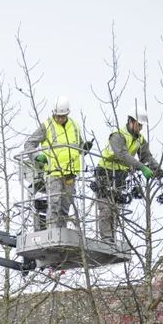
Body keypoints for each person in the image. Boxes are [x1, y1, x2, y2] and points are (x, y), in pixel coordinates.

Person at [95, 106, 163, 242]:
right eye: (138, 125)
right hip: (105, 172)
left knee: (117, 208)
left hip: (120, 175)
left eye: (142, 125)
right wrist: (142, 168)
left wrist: (156, 167)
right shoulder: (117, 135)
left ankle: (113, 238)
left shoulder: (140, 139)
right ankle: (106, 238)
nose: (140, 128)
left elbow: (146, 155)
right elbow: (123, 155)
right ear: (130, 121)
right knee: (106, 207)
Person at [25, 96, 92, 230]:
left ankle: (62, 233)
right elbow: (29, 144)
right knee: (54, 205)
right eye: (57, 116)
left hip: (71, 174)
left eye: (62, 116)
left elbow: (78, 148)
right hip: (54, 173)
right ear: (53, 113)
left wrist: (84, 148)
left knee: (65, 207)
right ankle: (53, 233)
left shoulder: (74, 126)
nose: (59, 119)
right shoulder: (47, 125)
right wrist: (37, 156)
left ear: (67, 114)